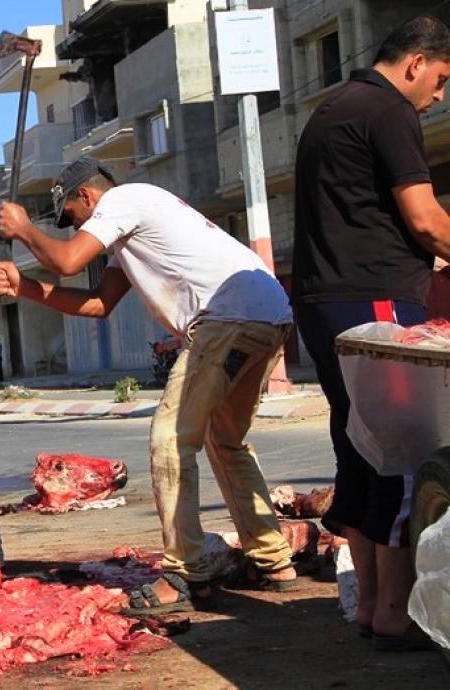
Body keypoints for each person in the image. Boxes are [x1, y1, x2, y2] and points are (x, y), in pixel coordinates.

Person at [0, 156, 296, 615]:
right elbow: (99, 303)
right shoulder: (137, 220)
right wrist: (27, 287)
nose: (76, 229)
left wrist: (24, 229)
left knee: (171, 439)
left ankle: (185, 572)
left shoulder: (123, 201)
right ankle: (274, 561)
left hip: (227, 319)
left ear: (87, 195)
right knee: (224, 441)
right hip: (267, 316)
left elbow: (68, 262)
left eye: (72, 217)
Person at [292, 15, 450, 651]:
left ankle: (369, 607)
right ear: (415, 63)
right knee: (405, 453)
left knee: (358, 444)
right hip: (374, 300)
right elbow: (425, 218)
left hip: (327, 300)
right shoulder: (389, 112)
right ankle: (394, 613)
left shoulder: (333, 108)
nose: (438, 95)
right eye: (441, 78)